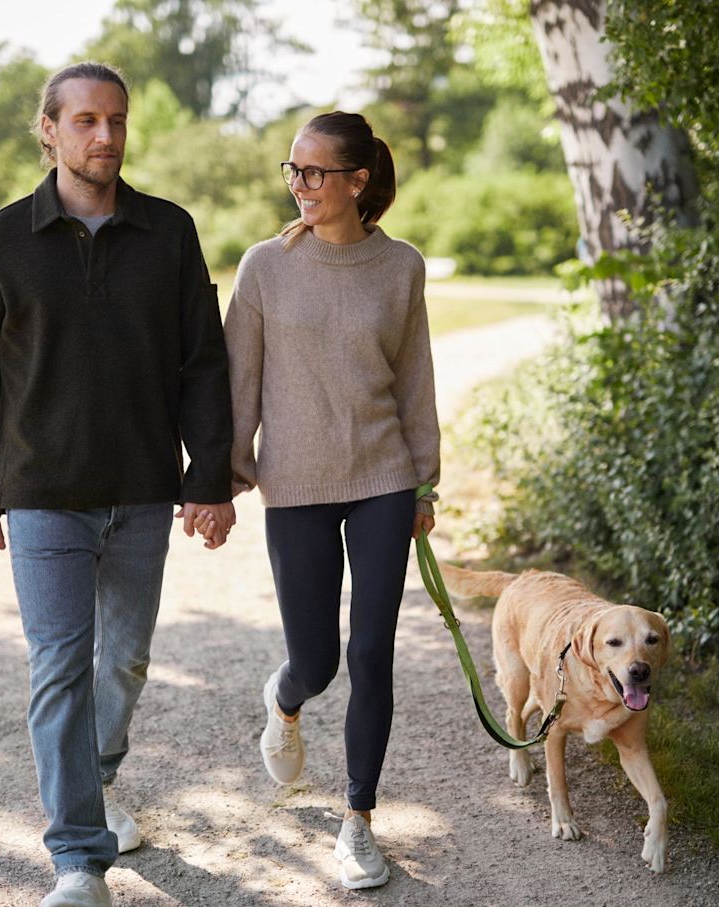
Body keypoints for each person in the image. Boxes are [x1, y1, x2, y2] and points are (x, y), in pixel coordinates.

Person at [0, 62, 235, 907]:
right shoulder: (2, 239)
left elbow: (203, 363)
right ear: (49, 130)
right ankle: (78, 858)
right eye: (84, 121)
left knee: (129, 660)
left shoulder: (170, 232)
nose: (103, 135)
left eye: (115, 120)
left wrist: (208, 474)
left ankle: (98, 775)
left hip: (144, 488)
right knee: (61, 664)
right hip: (42, 492)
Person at [221, 110, 440, 890]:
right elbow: (237, 381)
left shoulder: (402, 266)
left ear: (358, 181)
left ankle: (358, 821)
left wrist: (424, 481)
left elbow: (415, 378)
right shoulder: (264, 267)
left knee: (371, 651)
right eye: (292, 170)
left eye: (314, 173)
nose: (299, 186)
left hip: (383, 478)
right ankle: (283, 700)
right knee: (314, 660)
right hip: (299, 485)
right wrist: (225, 476)